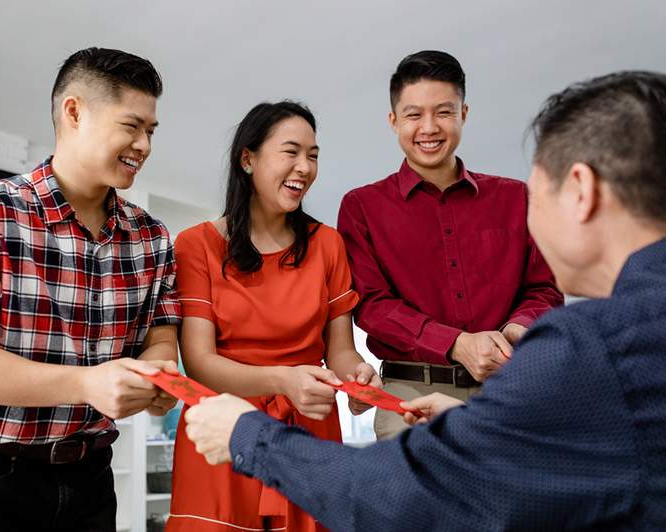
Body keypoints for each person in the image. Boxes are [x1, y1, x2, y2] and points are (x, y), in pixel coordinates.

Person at [183, 70, 666, 530]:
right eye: (414, 114)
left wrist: (248, 435)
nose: (532, 220)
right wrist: (465, 413)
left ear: (580, 190)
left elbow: (392, 496)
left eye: (539, 199)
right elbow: (565, 463)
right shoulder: (614, 346)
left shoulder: (591, 348)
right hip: (409, 398)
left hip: (294, 430)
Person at [0, 47, 181, 532]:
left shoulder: (151, 237)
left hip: (92, 477)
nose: (144, 145)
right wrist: (87, 384)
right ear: (74, 112)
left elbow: (160, 331)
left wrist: (159, 371)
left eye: (151, 132)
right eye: (132, 126)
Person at [167, 101, 381, 531]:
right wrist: (284, 379)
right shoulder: (197, 246)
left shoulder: (327, 245)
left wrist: (360, 377)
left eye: (313, 155)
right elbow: (200, 365)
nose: (305, 167)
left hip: (308, 435)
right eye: (291, 151)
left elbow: (340, 351)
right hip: (221, 434)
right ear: (248, 159)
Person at [337, 50, 563, 438]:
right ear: (394, 121)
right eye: (413, 115)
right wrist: (456, 344)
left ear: (464, 114)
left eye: (444, 112)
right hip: (411, 396)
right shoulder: (361, 207)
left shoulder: (515, 198)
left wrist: (517, 329)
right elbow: (372, 305)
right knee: (416, 499)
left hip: (510, 388)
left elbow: (544, 287)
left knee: (523, 497)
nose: (429, 127)